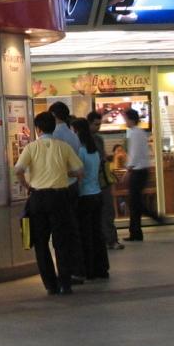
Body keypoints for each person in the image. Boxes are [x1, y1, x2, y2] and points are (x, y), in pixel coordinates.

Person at [14, 111, 84, 295]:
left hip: (38, 198)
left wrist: (27, 186)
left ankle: (50, 285)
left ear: (37, 129)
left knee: (41, 243)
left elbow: (18, 170)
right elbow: (79, 171)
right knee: (62, 242)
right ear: (53, 127)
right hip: (60, 198)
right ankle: (65, 283)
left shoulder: (31, 148)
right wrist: (64, 174)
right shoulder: (63, 147)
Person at [45, 101, 85, 284]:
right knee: (73, 229)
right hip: (73, 186)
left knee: (61, 233)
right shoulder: (73, 135)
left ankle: (66, 272)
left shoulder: (54, 136)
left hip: (60, 188)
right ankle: (78, 269)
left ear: (54, 115)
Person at [71, 117, 110, 280]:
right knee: (97, 233)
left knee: (86, 234)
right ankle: (102, 268)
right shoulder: (94, 150)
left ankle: (89, 269)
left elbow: (79, 174)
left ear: (77, 131)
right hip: (97, 194)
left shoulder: (80, 151)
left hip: (85, 197)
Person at [124, 108, 166, 241]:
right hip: (142, 170)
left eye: (126, 119)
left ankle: (155, 218)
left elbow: (134, 153)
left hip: (138, 171)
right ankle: (136, 232)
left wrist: (129, 169)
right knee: (135, 203)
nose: (125, 121)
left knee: (135, 203)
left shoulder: (135, 133)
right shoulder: (140, 132)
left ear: (131, 119)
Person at [87, 111, 124, 251]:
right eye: (96, 124)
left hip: (103, 179)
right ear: (89, 123)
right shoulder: (84, 140)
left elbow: (102, 158)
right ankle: (104, 240)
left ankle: (111, 239)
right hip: (93, 181)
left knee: (108, 211)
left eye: (99, 124)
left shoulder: (99, 139)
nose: (98, 127)